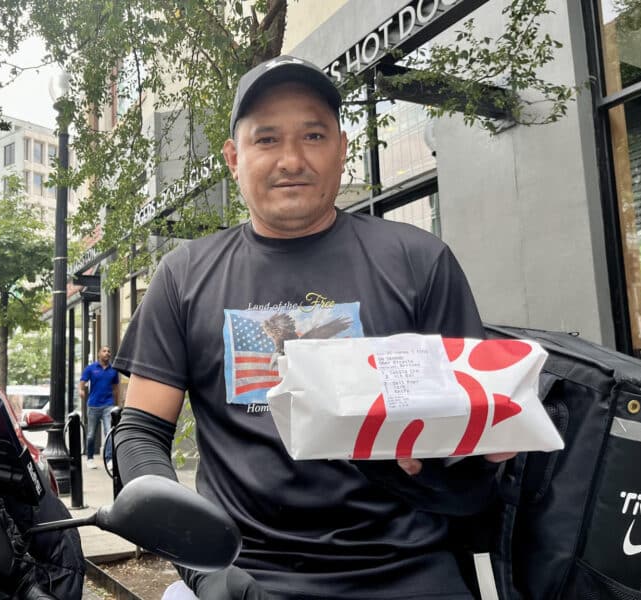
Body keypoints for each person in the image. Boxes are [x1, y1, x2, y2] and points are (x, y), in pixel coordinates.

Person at [113, 55, 514, 600]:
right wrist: (202, 567)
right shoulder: (183, 276)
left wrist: (475, 453)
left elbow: (471, 447)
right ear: (234, 157)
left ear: (342, 149)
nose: (292, 159)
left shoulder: (420, 261)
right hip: (241, 573)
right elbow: (140, 434)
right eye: (267, 139)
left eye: (314, 135)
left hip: (409, 573)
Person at [79, 345, 119, 470]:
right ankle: (90, 458)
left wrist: (116, 405)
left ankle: (109, 459)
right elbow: (82, 383)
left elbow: (116, 388)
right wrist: (81, 390)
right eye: (104, 351)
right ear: (99, 354)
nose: (107, 353)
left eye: (109, 351)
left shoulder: (113, 370)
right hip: (94, 405)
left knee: (109, 433)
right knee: (91, 434)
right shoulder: (91, 369)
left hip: (108, 405)